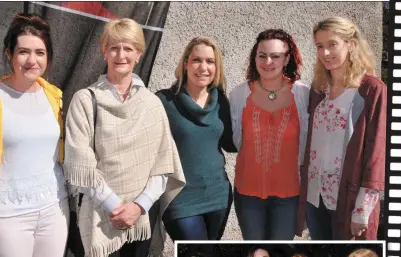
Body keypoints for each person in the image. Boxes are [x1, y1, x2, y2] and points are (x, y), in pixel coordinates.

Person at [63, 18, 185, 257]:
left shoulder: (152, 104)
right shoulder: (85, 100)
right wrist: (116, 207)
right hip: (100, 215)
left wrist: (139, 207)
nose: (121, 55)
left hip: (140, 218)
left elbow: (163, 162)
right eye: (114, 47)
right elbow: (81, 163)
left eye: (128, 48)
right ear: (104, 51)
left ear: (139, 54)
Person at [296, 16, 386, 240]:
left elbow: (377, 153)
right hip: (315, 198)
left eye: (332, 44)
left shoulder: (371, 90)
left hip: (348, 200)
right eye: (320, 46)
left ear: (351, 45)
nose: (325, 53)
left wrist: (363, 209)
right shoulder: (318, 90)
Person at [229, 29, 310, 240]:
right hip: (247, 193)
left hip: (290, 194)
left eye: (275, 56)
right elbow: (237, 141)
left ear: (287, 59)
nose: (268, 61)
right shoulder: (238, 95)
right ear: (254, 58)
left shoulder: (303, 94)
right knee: (255, 250)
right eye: (262, 55)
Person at [0, 14, 69, 257]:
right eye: (23, 52)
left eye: (40, 52)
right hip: (8, 216)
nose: (32, 60)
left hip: (55, 209)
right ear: (9, 53)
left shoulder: (54, 96)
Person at [156, 36, 237, 241]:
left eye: (210, 61)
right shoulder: (164, 101)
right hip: (180, 198)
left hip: (218, 195)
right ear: (185, 64)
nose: (203, 67)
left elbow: (230, 144)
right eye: (196, 60)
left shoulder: (221, 102)